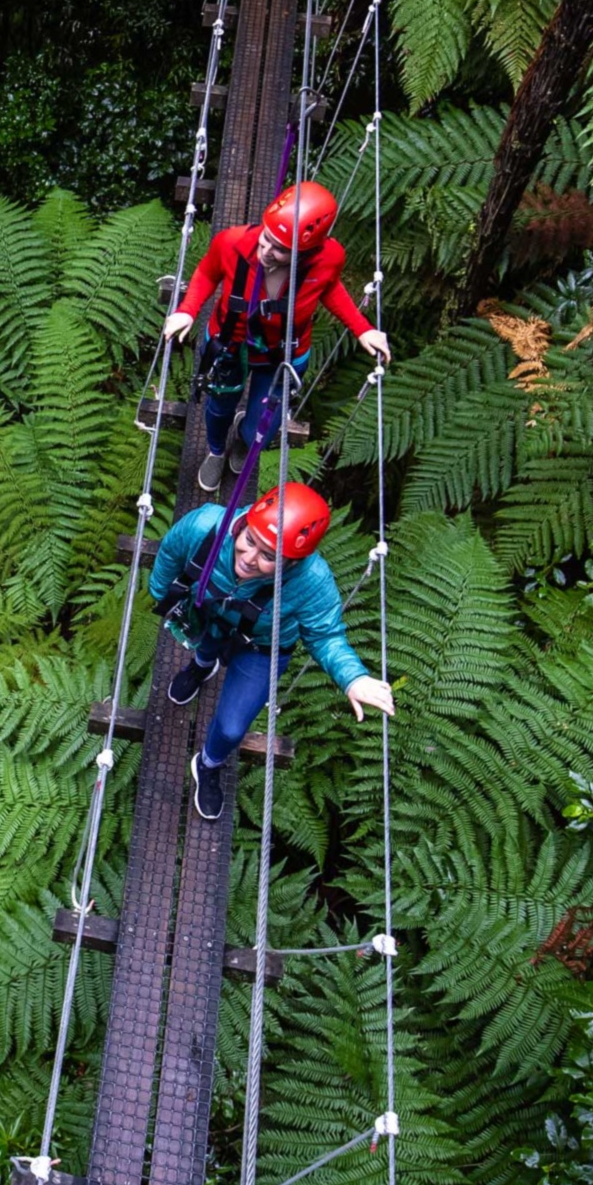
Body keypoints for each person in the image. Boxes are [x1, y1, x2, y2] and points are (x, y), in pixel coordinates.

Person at [148, 482, 397, 822]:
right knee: (205, 645)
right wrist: (164, 596)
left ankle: (208, 764)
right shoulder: (205, 527)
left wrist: (352, 678)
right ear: (245, 523)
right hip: (208, 612)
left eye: (268, 556)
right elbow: (170, 555)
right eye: (250, 540)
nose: (248, 559)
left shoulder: (312, 581)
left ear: (293, 561)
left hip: (262, 646)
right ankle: (201, 667)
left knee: (233, 728)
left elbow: (325, 635)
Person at [163, 181, 392, 489]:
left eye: (280, 250)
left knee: (265, 425)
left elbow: (329, 287)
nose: (266, 252)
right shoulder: (231, 243)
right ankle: (216, 452)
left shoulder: (329, 258)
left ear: (308, 251)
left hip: (284, 352)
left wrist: (362, 328)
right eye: (265, 240)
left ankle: (245, 439)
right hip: (230, 343)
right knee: (218, 407)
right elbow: (207, 272)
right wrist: (187, 310)